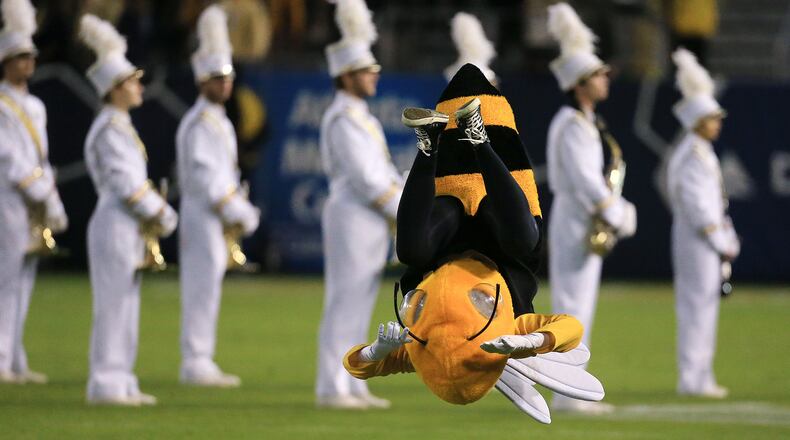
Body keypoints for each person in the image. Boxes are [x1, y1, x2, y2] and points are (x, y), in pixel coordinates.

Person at [343, 64, 604, 423]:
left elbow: (355, 364)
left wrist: (377, 350)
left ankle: (428, 144)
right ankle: (479, 140)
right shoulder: (508, 335)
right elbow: (571, 328)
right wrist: (531, 343)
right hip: (498, 238)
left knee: (410, 251)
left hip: (444, 237)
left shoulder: (419, 348)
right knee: (525, 240)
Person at [80, 14, 178, 406]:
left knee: (128, 303)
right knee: (113, 303)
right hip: (115, 221)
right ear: (115, 89)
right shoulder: (109, 128)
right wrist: (162, 212)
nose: (139, 86)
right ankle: (104, 380)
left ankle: (121, 376)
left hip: (128, 225)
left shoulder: (120, 125)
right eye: (132, 82)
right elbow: (125, 185)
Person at [545, 2, 636, 414]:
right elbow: (584, 179)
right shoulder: (571, 124)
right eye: (598, 74)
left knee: (580, 306)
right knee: (572, 307)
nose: (606, 79)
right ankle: (567, 395)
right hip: (576, 217)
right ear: (580, 82)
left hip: (581, 216)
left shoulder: (584, 123)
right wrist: (613, 212)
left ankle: (571, 390)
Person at [315, 0, 404, 410]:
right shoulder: (342, 118)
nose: (375, 76)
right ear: (347, 75)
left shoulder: (360, 115)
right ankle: (331, 385)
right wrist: (403, 209)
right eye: (367, 70)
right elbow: (368, 179)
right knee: (344, 301)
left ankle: (352, 378)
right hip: (352, 216)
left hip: (369, 220)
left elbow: (381, 171)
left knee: (361, 303)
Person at [176, 5, 259, 388]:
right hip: (202, 212)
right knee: (200, 287)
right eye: (216, 78)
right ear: (201, 81)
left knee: (210, 286)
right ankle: (194, 359)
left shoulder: (221, 121)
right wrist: (238, 210)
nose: (224, 83)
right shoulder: (198, 122)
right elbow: (207, 179)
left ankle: (202, 356)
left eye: (227, 77)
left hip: (217, 215)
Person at [0, 0, 67, 385]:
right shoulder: (4, 106)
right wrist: (43, 193)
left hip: (34, 199)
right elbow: (10, 159)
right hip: (10, 198)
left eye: (31, 56)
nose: (28, 62)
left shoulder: (37, 106)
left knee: (26, 279)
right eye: (20, 56)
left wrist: (49, 197)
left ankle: (16, 357)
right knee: (6, 280)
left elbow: (40, 157)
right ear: (7, 60)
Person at [668, 48, 738, 399]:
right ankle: (693, 378)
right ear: (698, 121)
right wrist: (719, 239)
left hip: (705, 240)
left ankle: (700, 374)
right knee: (696, 306)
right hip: (697, 240)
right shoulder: (692, 152)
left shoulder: (702, 150)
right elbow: (697, 205)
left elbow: (714, 201)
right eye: (713, 117)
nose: (718, 123)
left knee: (705, 306)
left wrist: (726, 235)